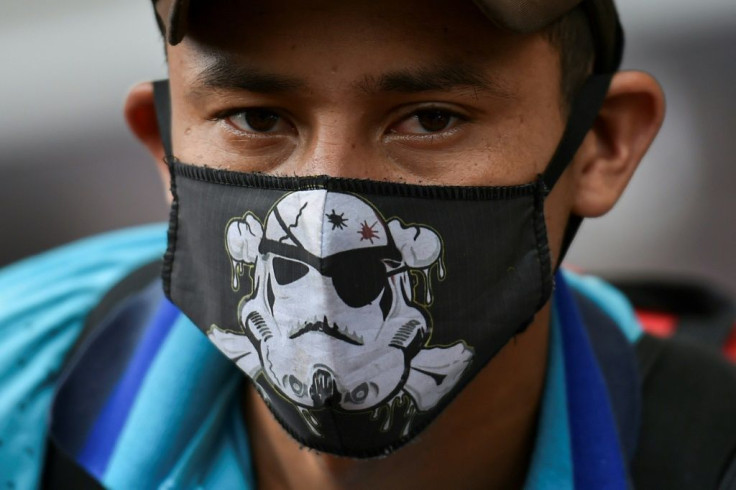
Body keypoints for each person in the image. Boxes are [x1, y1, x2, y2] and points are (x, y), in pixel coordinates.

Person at [1, 0, 735, 489]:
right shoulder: (18, 382)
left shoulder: (708, 446)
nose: (325, 207)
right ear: (166, 147)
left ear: (601, 145)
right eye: (256, 119)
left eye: (431, 117)